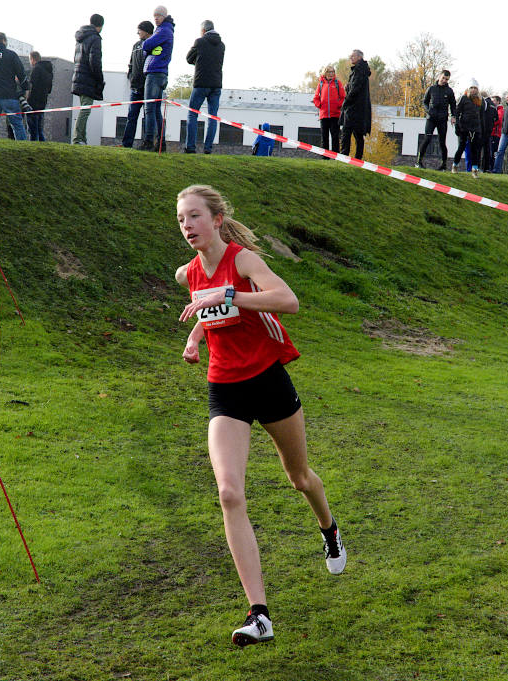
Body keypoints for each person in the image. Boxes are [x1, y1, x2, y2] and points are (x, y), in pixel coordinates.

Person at [174, 184, 346, 647]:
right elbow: (208, 312)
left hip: (268, 380)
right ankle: (260, 614)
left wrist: (227, 294)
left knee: (299, 477)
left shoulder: (243, 261)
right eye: (181, 220)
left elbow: (287, 301)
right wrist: (196, 339)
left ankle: (329, 530)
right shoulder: (187, 273)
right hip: (224, 389)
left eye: (194, 217)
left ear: (215, 219)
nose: (187, 226)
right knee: (229, 492)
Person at [184, 19, 225, 154]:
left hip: (201, 83)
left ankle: (190, 147)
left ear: (203, 31)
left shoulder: (199, 42)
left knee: (192, 114)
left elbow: (189, 58)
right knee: (213, 117)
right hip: (216, 85)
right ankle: (208, 148)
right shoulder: (222, 45)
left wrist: (198, 61)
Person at [139, 6, 175, 152]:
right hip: (160, 73)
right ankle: (160, 143)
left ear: (164, 16)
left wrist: (146, 46)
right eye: (154, 16)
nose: (156, 18)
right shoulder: (164, 30)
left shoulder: (163, 31)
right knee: (156, 111)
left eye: (159, 15)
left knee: (149, 108)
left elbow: (146, 44)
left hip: (155, 72)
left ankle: (148, 142)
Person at [72, 14, 105, 145]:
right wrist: (99, 78)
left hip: (78, 75)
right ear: (100, 26)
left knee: (84, 107)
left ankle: (82, 138)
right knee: (86, 109)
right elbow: (95, 61)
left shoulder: (80, 38)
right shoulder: (95, 38)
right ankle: (77, 138)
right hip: (88, 78)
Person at [122, 21, 155, 148]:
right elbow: (130, 64)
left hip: (148, 88)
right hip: (135, 87)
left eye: (140, 30)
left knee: (148, 117)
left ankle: (148, 143)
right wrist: (130, 77)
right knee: (132, 117)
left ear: (146, 31)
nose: (138, 32)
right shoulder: (135, 45)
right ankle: (126, 144)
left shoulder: (154, 44)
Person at [416, 70, 457, 170]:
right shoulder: (431, 88)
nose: (444, 80)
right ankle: (418, 162)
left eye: (446, 79)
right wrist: (428, 111)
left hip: (442, 119)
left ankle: (443, 165)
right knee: (427, 139)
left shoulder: (449, 91)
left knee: (442, 142)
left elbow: (453, 105)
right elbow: (425, 102)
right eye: (443, 78)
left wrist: (453, 116)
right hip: (431, 118)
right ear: (439, 76)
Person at [339, 49, 371, 160]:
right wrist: (348, 87)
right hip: (358, 108)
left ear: (359, 57)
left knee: (347, 132)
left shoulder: (359, 70)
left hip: (354, 107)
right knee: (357, 134)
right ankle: (357, 158)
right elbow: (355, 87)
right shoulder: (360, 70)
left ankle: (344, 156)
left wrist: (346, 101)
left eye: (352, 56)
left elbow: (356, 89)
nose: (350, 58)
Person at [452, 80, 484, 177]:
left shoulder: (480, 100)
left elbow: (481, 115)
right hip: (464, 127)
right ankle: (455, 165)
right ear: (469, 89)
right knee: (461, 146)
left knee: (475, 149)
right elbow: (457, 112)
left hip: (475, 128)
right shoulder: (464, 98)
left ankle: (474, 169)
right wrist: (458, 126)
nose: (473, 90)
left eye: (475, 88)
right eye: (472, 88)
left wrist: (481, 129)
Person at [312, 64, 345, 152]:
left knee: (335, 137)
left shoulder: (338, 83)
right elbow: (315, 98)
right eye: (329, 72)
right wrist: (320, 105)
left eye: (333, 72)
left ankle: (335, 157)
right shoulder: (321, 84)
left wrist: (338, 105)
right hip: (324, 115)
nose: (331, 74)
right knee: (324, 137)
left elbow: (343, 97)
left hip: (335, 115)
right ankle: (325, 157)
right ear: (325, 73)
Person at [24, 51, 53, 142]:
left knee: (32, 129)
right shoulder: (48, 71)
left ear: (33, 59)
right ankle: (42, 146)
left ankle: (33, 147)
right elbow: (49, 89)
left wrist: (27, 98)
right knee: (39, 128)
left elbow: (31, 86)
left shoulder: (36, 69)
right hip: (42, 102)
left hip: (33, 102)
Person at [480, 93, 499, 173]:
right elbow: (496, 118)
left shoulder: (483, 102)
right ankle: (486, 168)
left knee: (478, 149)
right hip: (489, 130)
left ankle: (478, 167)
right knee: (487, 149)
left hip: (481, 129)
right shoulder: (493, 105)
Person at [488, 95, 503, 168]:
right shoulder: (493, 109)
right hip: (491, 133)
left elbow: (498, 121)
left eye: (494, 101)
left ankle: (493, 167)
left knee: (494, 151)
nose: (492, 102)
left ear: (498, 102)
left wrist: (490, 123)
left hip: (495, 134)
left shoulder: (500, 110)